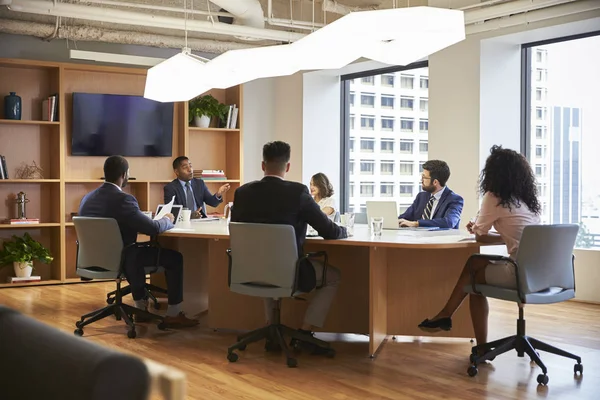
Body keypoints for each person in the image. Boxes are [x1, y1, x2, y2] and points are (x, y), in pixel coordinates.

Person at [418, 146, 541, 349]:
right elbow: (513, 238)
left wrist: (477, 231)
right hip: (542, 273)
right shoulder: (527, 201)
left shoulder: (494, 197)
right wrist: (484, 233)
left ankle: (449, 318)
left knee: (473, 272)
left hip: (519, 273)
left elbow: (480, 237)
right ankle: (445, 316)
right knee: (477, 266)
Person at [231, 141, 347, 353]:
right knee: (333, 276)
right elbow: (329, 231)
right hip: (288, 273)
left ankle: (270, 327)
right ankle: (304, 332)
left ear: (263, 165)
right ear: (288, 167)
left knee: (264, 260)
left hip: (248, 269)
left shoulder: (242, 193)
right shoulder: (298, 193)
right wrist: (344, 231)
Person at [79, 155, 198, 328]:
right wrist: (167, 218)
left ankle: (140, 307)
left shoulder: (86, 199)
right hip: (123, 259)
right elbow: (153, 229)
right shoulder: (124, 200)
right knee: (174, 258)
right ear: (124, 174)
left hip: (93, 259)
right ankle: (173, 314)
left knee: (136, 251)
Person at [398, 159, 464, 229]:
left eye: (424, 177)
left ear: (435, 182)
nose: (421, 180)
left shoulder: (455, 200)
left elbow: (449, 222)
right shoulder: (421, 197)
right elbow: (405, 217)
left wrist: (416, 224)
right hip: (417, 238)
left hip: (441, 239)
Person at [163, 156, 230, 219]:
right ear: (177, 172)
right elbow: (173, 212)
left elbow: (212, 203)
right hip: (182, 224)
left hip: (200, 221)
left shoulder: (199, 183)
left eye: (190, 166)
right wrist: (189, 216)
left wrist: (218, 194)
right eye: (185, 167)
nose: (190, 170)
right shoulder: (170, 188)